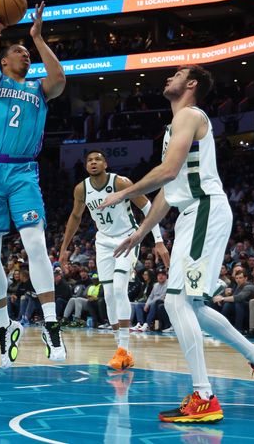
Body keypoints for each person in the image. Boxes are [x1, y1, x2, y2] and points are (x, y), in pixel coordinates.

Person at [101, 65, 254, 423]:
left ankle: (204, 396)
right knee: (192, 306)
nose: (170, 77)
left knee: (175, 300)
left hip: (204, 210)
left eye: (178, 73)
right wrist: (140, 234)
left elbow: (167, 173)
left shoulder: (191, 114)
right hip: (192, 213)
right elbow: (169, 191)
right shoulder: (175, 125)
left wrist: (124, 192)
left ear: (192, 84)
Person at [0, 0, 67, 368]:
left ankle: (51, 324)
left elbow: (59, 79)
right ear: (3, 61)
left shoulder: (39, 90)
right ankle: (3, 325)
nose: (24, 56)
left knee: (35, 244)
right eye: (18, 52)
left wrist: (37, 37)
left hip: (23, 172)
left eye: (27, 54)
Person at [60, 149, 170, 370]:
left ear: (106, 164)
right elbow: (75, 217)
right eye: (89, 160)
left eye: (97, 159)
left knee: (120, 290)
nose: (93, 162)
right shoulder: (81, 189)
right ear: (85, 166)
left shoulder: (120, 182)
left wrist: (158, 240)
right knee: (108, 294)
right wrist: (64, 248)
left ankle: (124, 349)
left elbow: (148, 206)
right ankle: (120, 348)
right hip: (103, 243)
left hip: (127, 238)